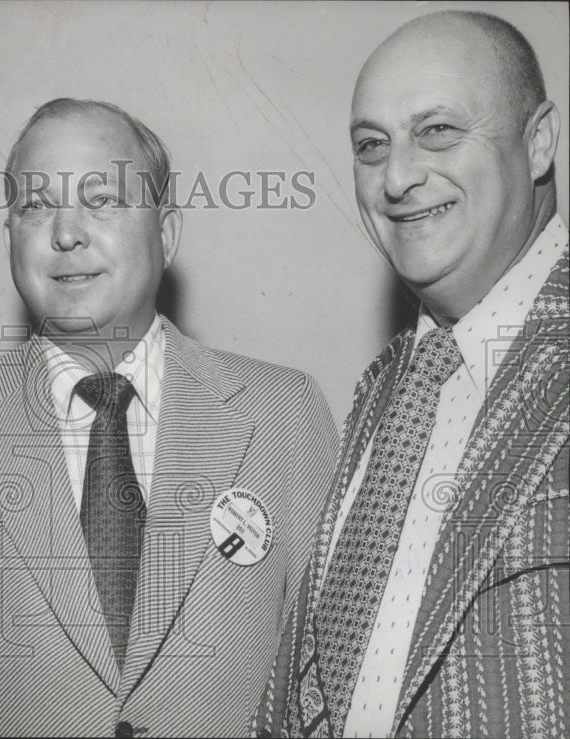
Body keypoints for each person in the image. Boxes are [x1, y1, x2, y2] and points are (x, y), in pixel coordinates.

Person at [0, 98, 338, 737]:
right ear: (9, 238)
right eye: (35, 205)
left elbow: (331, 674)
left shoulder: (283, 414)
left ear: (166, 233)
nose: (66, 232)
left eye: (101, 199)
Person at [257, 10, 568, 738]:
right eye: (372, 146)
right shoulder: (387, 388)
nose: (397, 177)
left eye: (438, 131)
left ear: (540, 140)